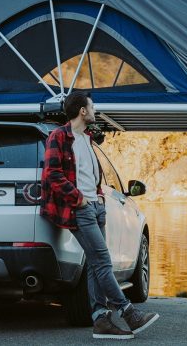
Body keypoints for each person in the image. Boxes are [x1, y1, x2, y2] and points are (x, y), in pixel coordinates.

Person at [41, 91, 159, 340]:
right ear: (82, 111)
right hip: (80, 210)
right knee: (104, 262)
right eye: (92, 106)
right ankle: (128, 313)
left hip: (96, 207)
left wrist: (98, 198)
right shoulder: (59, 137)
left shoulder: (87, 139)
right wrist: (79, 199)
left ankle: (101, 319)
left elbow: (90, 175)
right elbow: (52, 173)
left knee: (96, 266)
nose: (95, 110)